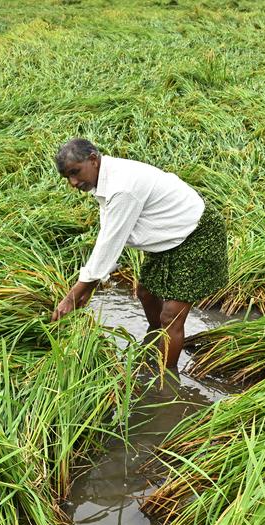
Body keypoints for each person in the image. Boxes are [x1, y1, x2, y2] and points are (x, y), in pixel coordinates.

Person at [50, 138, 227, 372]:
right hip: (168, 232)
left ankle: (166, 381)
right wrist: (89, 285)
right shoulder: (105, 178)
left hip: (195, 232)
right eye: (68, 178)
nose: (73, 182)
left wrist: (73, 296)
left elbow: (110, 241)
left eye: (75, 172)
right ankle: (156, 340)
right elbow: (110, 238)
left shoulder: (122, 186)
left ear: (93, 160)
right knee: (146, 292)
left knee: (171, 316)